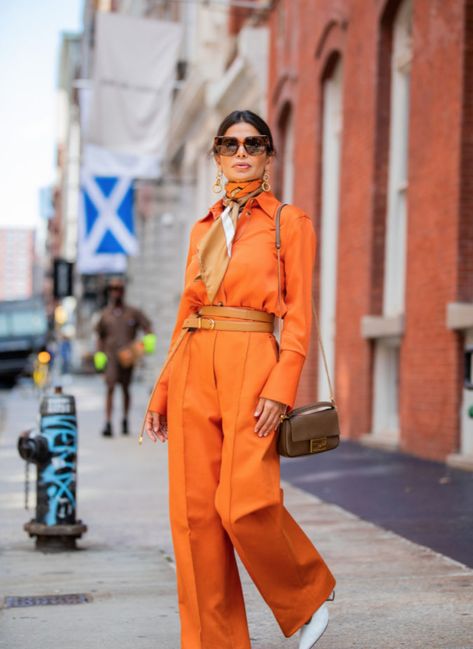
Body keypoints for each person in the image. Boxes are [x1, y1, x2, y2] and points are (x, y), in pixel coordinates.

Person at [144, 110, 336, 649]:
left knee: (243, 502)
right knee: (194, 520)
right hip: (192, 364)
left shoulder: (288, 223)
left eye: (253, 143)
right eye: (229, 144)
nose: (241, 151)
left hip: (253, 359)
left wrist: (282, 386)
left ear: (270, 155)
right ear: (217, 155)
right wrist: (160, 391)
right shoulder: (202, 227)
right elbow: (186, 308)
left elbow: (299, 315)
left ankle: (307, 593)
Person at [95, 277, 154, 437]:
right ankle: (108, 422)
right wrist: (99, 354)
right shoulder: (105, 315)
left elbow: (148, 327)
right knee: (110, 387)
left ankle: (125, 419)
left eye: (118, 289)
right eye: (113, 289)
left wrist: (144, 345)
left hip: (127, 357)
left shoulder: (132, 312)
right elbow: (100, 336)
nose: (115, 292)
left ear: (123, 291)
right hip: (111, 358)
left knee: (126, 388)